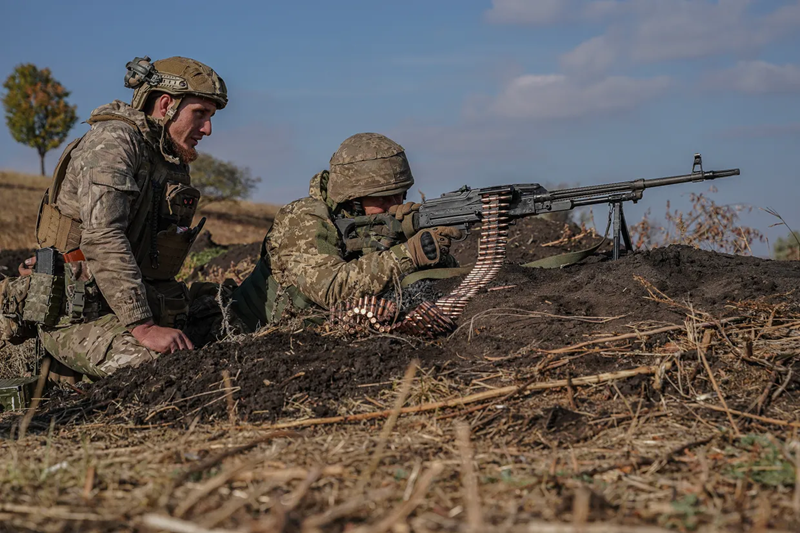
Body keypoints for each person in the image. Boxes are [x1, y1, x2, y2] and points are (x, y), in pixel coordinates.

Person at [0, 56, 231, 378]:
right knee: (162, 372)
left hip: (128, 304)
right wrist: (144, 327)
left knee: (237, 315)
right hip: (78, 315)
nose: (207, 128)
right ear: (166, 104)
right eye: (200, 113)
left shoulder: (167, 157)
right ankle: (58, 375)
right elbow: (102, 236)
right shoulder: (114, 142)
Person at [232, 132, 462, 331]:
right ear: (352, 198)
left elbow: (439, 284)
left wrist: (419, 239)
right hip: (244, 335)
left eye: (401, 194)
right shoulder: (303, 217)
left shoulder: (372, 221)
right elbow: (331, 289)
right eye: (383, 197)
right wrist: (408, 253)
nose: (394, 204)